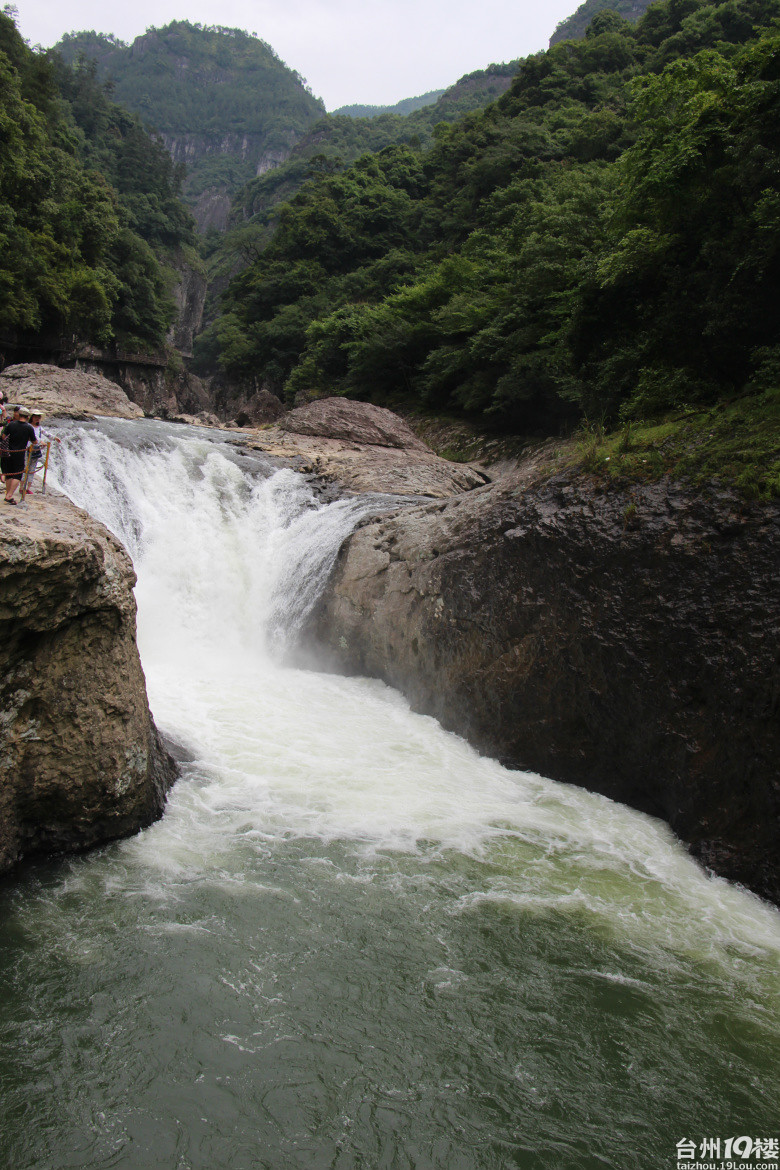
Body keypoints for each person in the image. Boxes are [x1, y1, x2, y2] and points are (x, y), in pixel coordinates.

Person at [1, 407, 38, 504]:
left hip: (8, 452)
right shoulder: (29, 427)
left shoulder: (11, 424)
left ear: (19, 414)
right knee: (17, 475)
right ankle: (9, 496)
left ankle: (7, 494)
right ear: (27, 416)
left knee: (9, 474)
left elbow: (3, 437)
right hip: (20, 453)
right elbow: (34, 441)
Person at [23, 410, 60, 496]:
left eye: (38, 417)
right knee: (25, 468)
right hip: (28, 448)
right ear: (32, 417)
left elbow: (46, 433)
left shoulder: (39, 428)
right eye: (36, 417)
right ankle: (22, 487)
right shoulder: (28, 426)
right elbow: (31, 437)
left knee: (32, 468)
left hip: (36, 449)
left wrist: (54, 438)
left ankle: (28, 488)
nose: (37, 419)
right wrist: (40, 441)